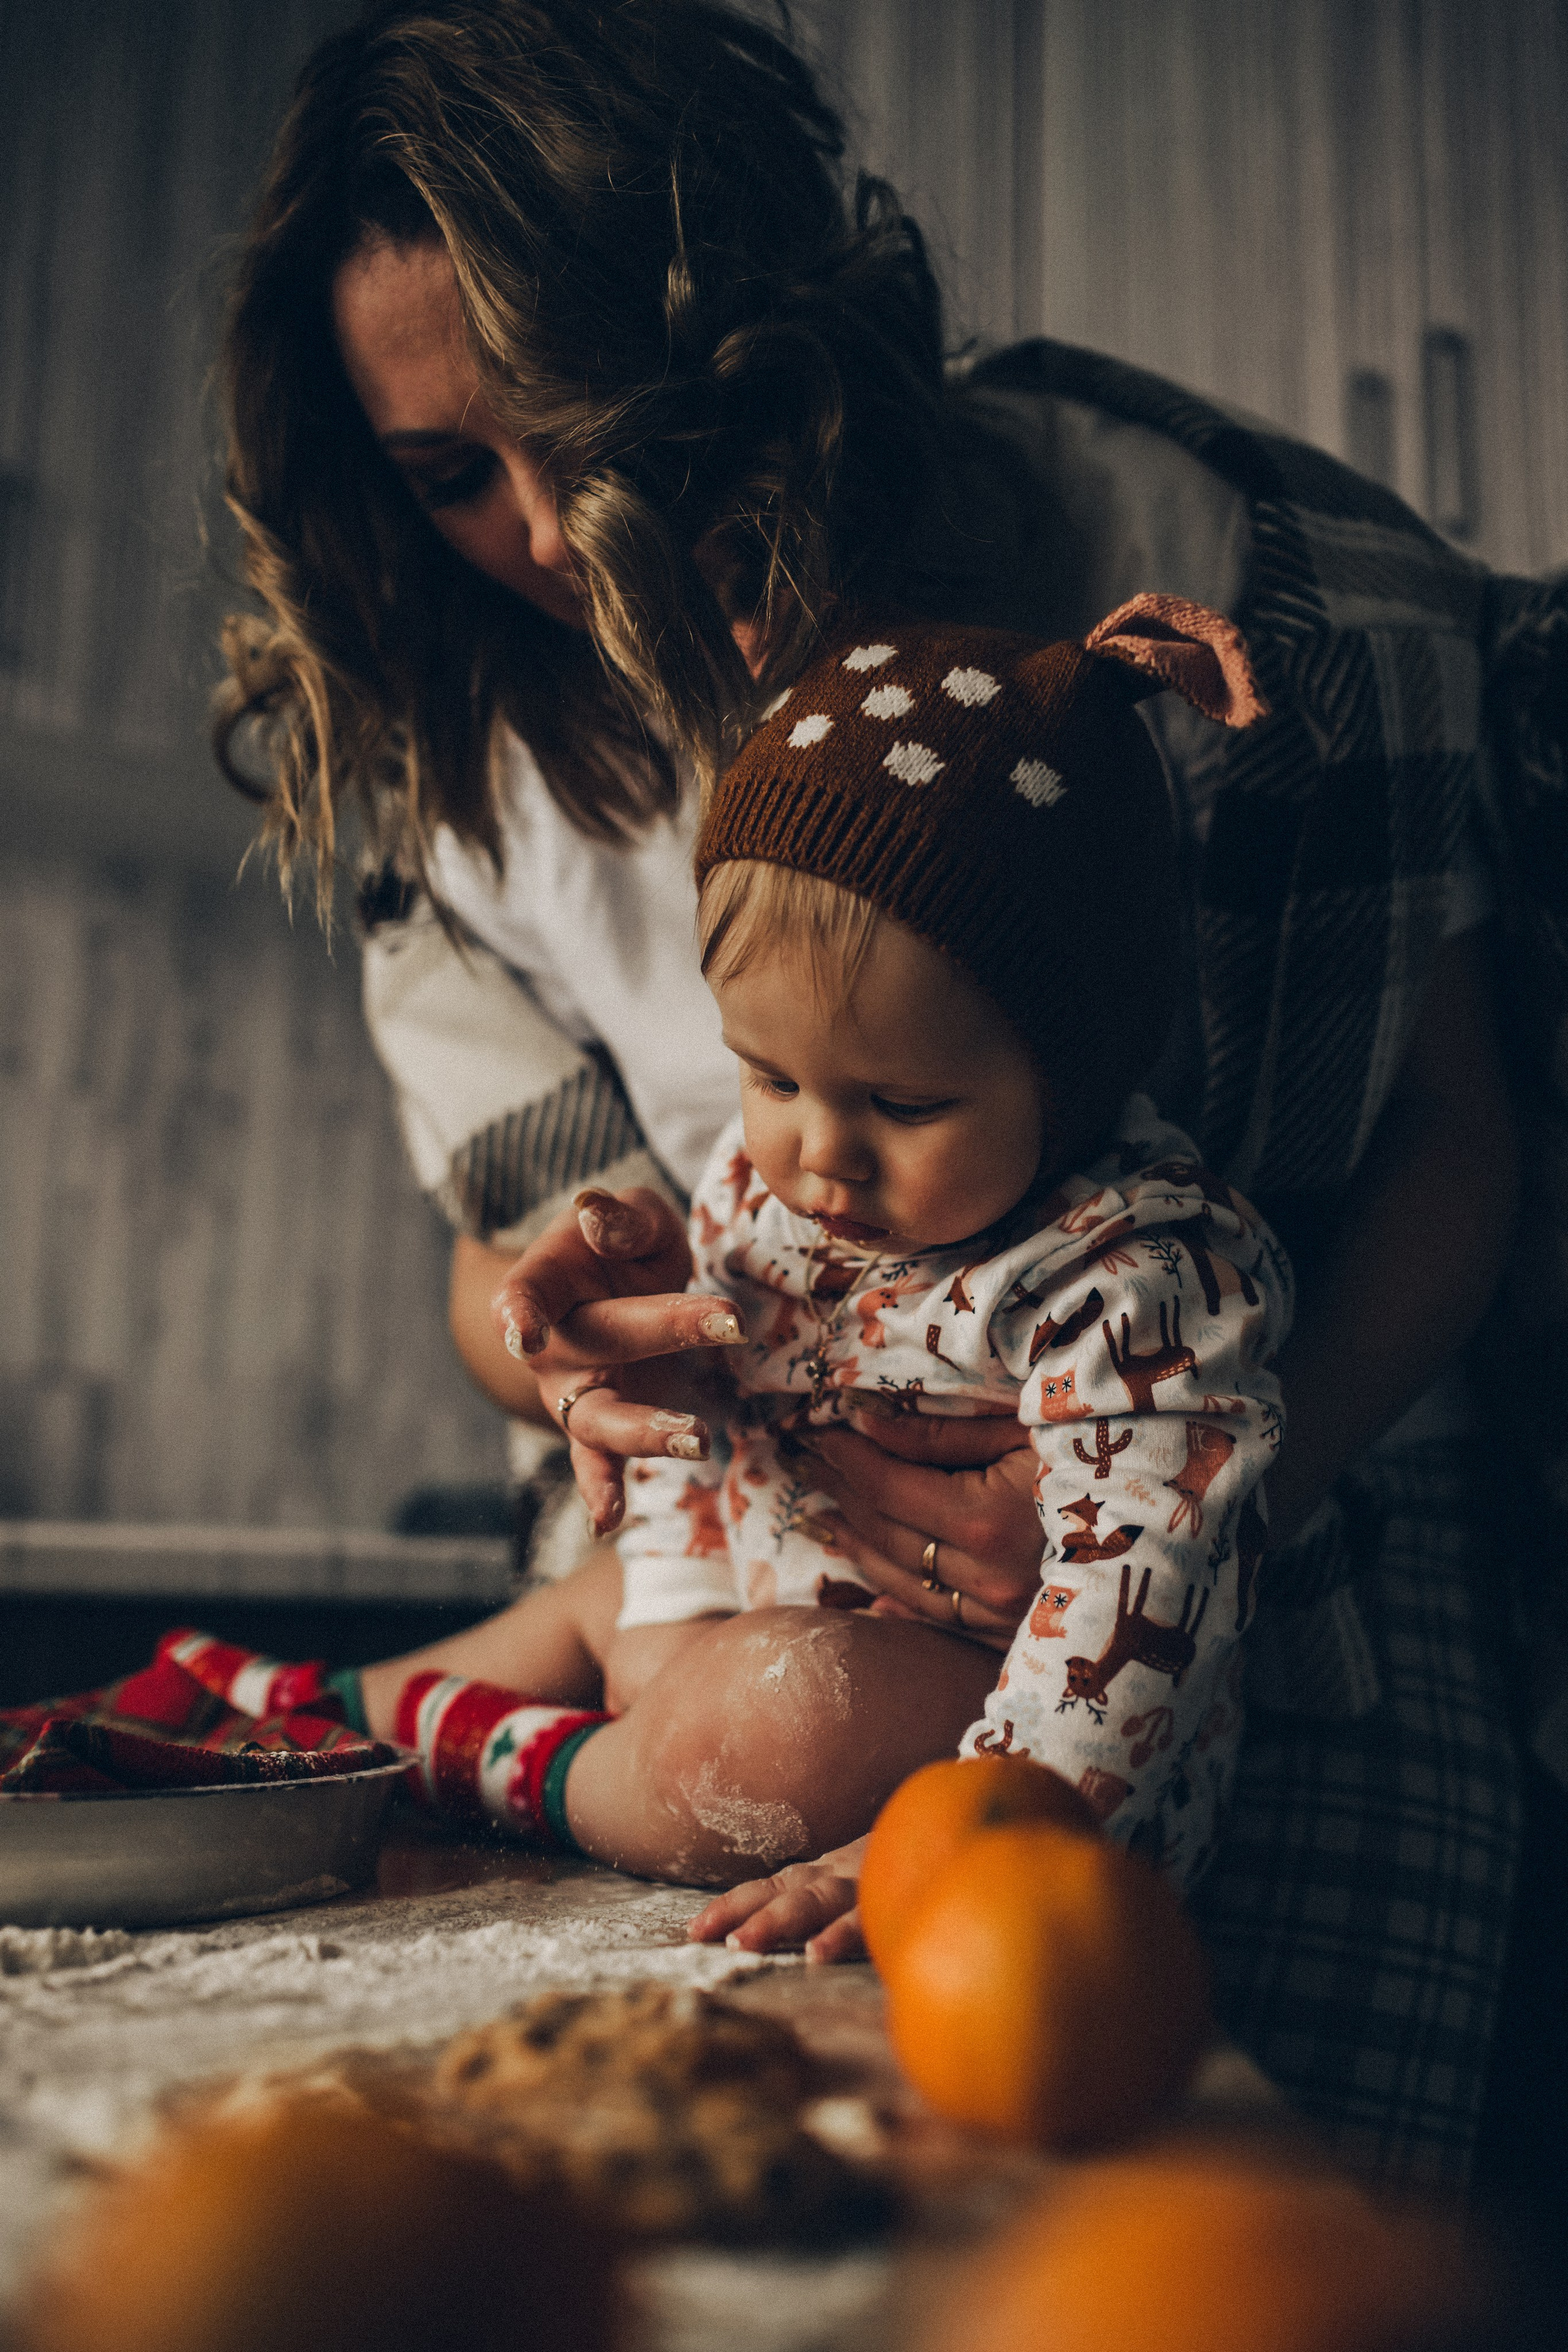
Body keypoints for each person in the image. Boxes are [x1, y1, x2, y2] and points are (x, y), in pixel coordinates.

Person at [216, 1, 1526, 2184]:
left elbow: (1445, 1155)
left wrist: (1162, 1533)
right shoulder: (456, 754)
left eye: (577, 425)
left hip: (1304, 1565)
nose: (540, 533)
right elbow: (511, 1262)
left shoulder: (1229, 568)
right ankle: (381, 1727)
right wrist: (579, 1333)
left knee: (1227, 2246)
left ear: (748, 332)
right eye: (448, 475)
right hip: (755, 1570)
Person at [377, 598, 1291, 1920]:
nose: (819, 1158)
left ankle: (479, 1762)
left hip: (1002, 1746)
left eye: (902, 1106)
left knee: (779, 1727)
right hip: (752, 1618)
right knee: (594, 1610)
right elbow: (716, 1439)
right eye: (767, 1076)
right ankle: (291, 1721)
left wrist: (967, 1839)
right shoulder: (762, 1192)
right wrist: (672, 1607)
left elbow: (1139, 1621)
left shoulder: (1139, 1279)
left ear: (1076, 1074)